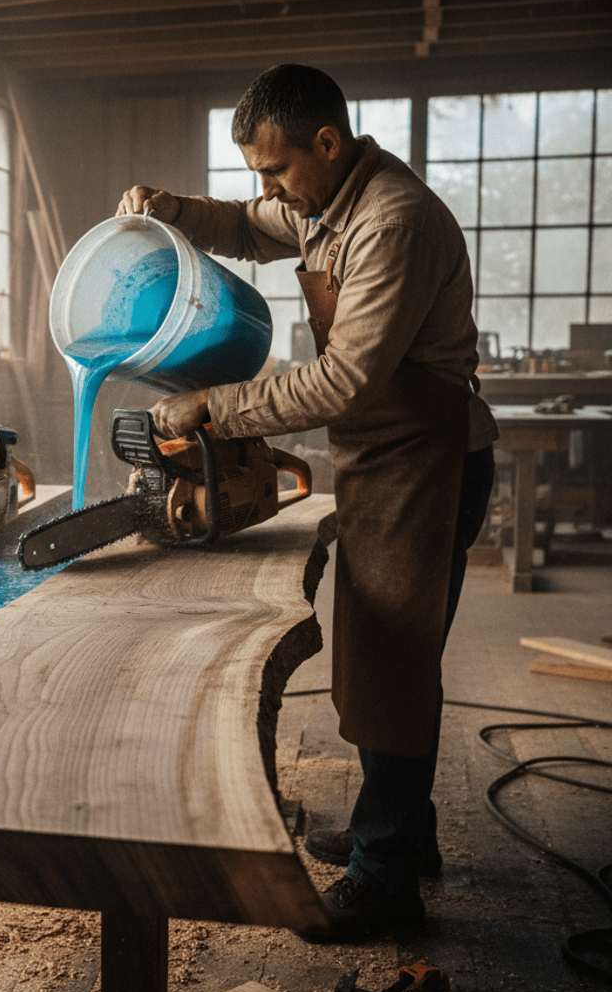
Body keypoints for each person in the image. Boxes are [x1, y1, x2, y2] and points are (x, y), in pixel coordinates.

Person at [117, 64, 497, 942]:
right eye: (260, 172)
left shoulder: (392, 223)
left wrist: (216, 405)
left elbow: (345, 380)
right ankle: (403, 831)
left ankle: (385, 873)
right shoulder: (329, 202)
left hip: (427, 459)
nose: (268, 187)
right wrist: (174, 211)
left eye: (278, 168)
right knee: (377, 657)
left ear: (327, 143)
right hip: (381, 455)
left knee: (395, 663)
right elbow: (249, 227)